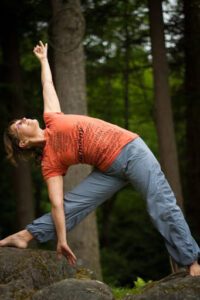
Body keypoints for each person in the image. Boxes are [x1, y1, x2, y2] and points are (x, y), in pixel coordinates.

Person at [1, 41, 200, 276]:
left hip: (132, 151)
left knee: (161, 204)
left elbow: (47, 83)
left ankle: (191, 263)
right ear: (23, 142)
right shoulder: (50, 162)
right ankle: (25, 236)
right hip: (109, 170)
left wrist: (44, 59)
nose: (23, 119)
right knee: (71, 206)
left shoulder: (52, 118)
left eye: (21, 118)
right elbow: (57, 205)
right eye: (19, 125)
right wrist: (62, 240)